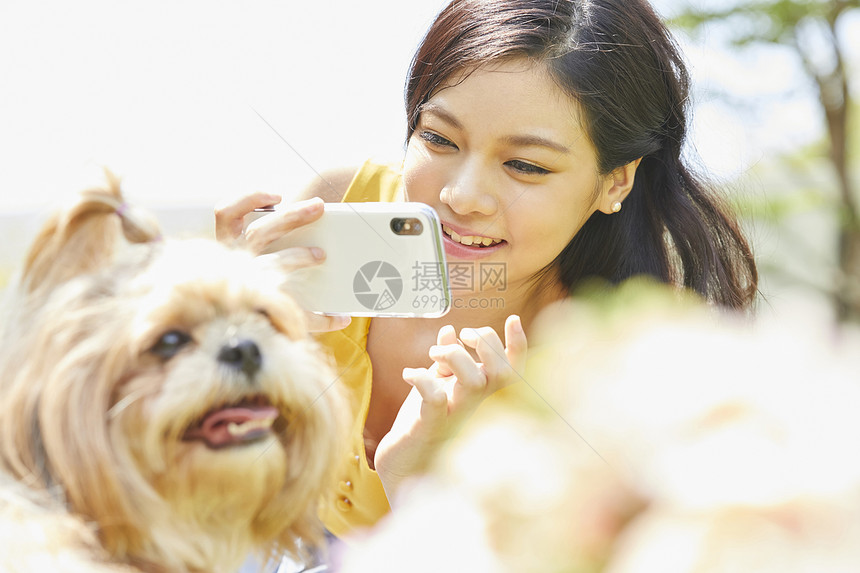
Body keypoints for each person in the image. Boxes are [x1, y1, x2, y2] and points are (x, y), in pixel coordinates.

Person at [216, 0, 757, 549]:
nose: (462, 196)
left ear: (615, 183)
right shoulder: (339, 209)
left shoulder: (599, 384)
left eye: (525, 165)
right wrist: (210, 318)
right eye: (439, 139)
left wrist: (417, 491)